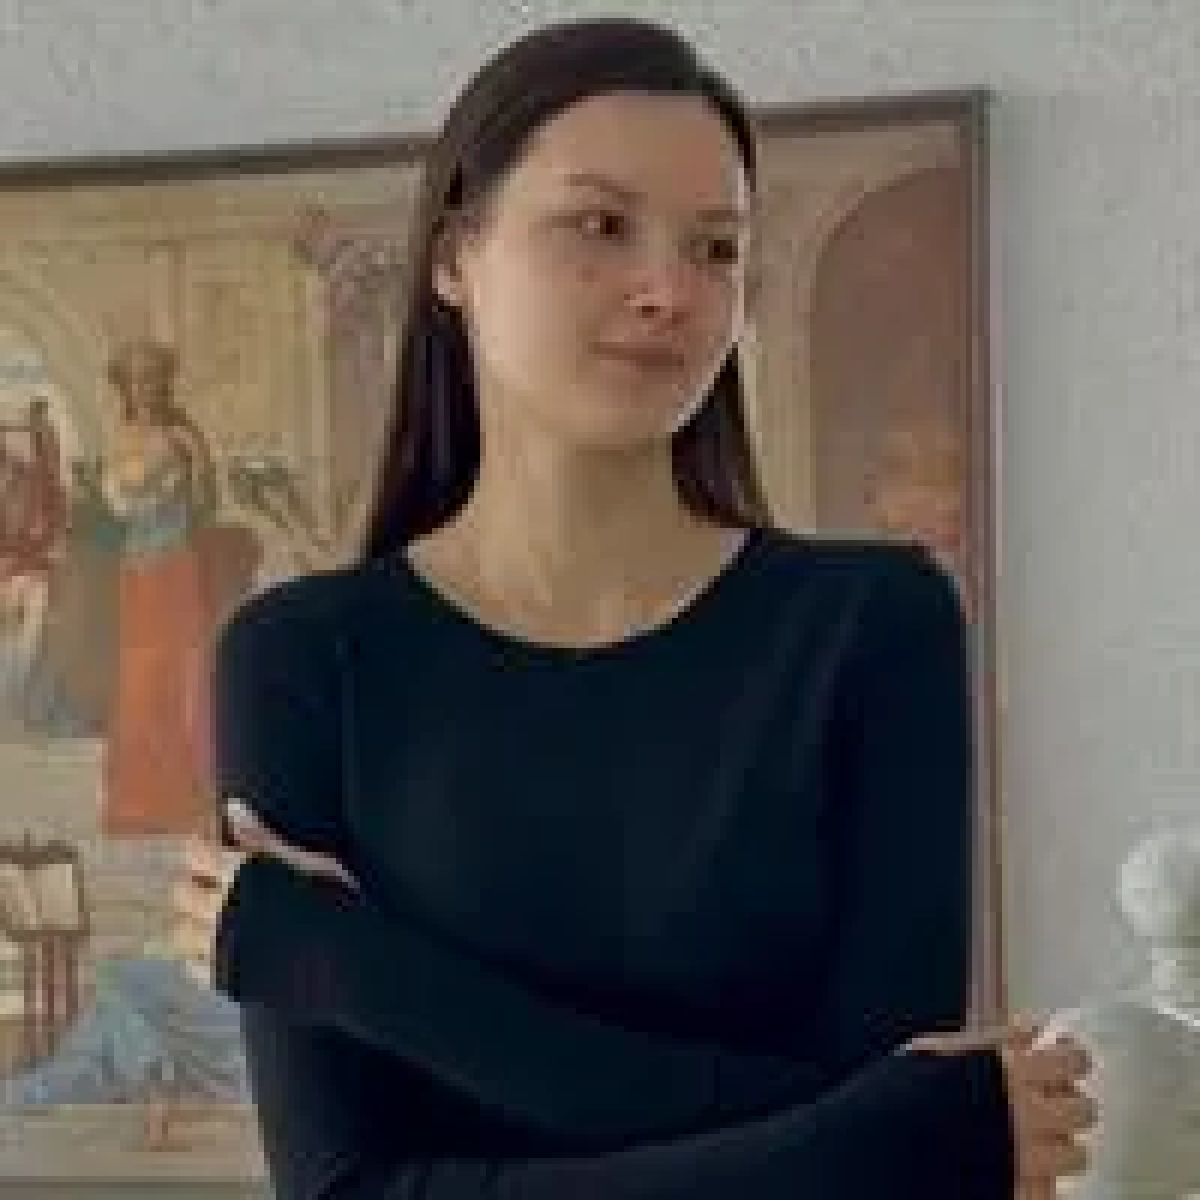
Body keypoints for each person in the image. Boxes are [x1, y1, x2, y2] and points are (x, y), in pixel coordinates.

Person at [173, 18, 1094, 1199]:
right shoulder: (303, 662)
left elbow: (881, 1163)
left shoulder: (876, 628)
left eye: (717, 248)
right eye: (601, 227)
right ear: (454, 256)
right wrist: (875, 1138)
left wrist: (356, 971)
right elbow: (878, 1144)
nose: (671, 292)